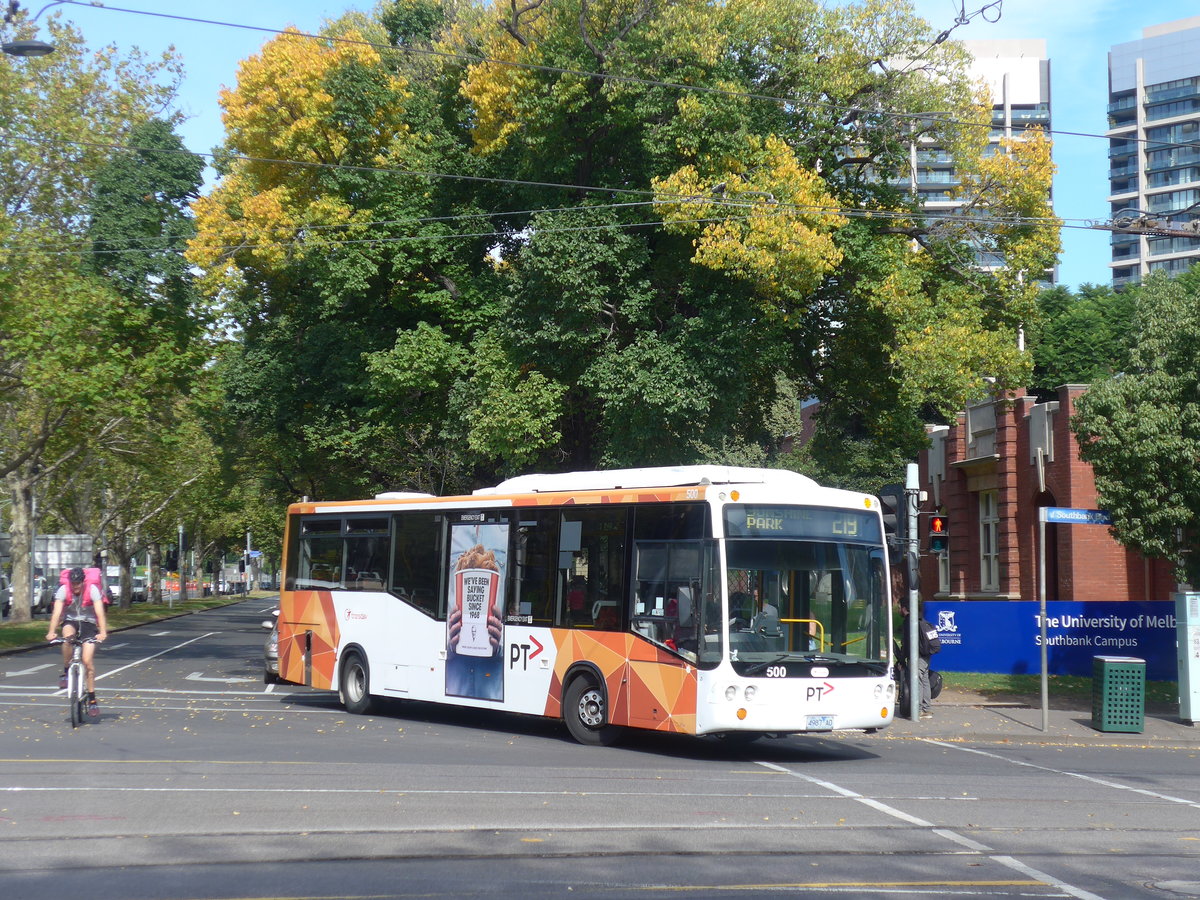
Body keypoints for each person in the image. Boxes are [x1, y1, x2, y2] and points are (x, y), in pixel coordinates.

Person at [45, 566, 108, 716]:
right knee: (67, 639)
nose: (76, 587)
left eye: (78, 583)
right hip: (70, 621)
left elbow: (100, 612)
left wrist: (103, 632)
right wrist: (51, 631)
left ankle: (92, 700)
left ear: (83, 582)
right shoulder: (63, 590)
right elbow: (57, 613)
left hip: (89, 624)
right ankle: (66, 672)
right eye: (73, 584)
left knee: (87, 661)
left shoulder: (92, 589)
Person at [897, 596, 935, 718]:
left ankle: (917, 710)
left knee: (916, 681)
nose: (898, 610)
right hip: (926, 656)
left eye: (899, 608)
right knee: (924, 681)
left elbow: (906, 644)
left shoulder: (909, 622)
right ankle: (926, 709)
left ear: (904, 608)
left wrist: (901, 661)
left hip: (917, 658)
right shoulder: (920, 619)